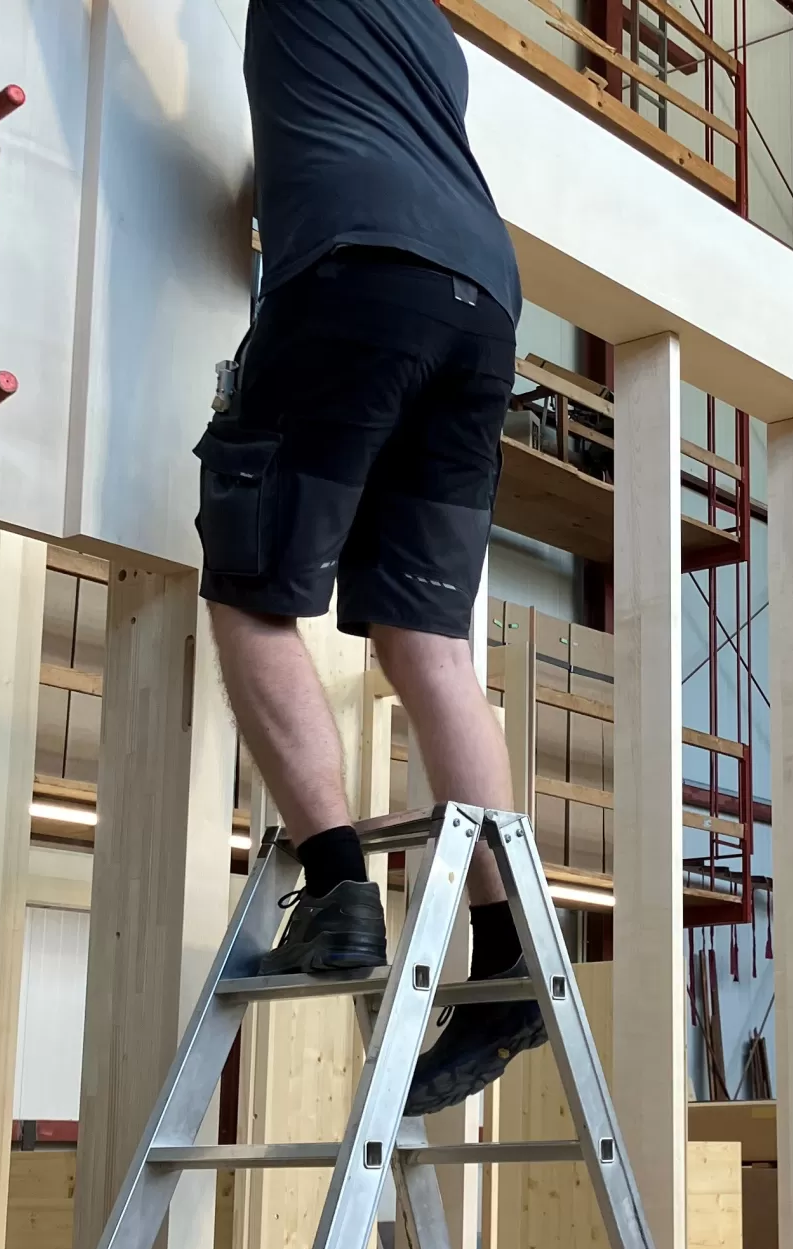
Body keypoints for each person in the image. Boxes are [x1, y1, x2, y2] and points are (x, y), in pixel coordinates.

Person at [194, 0, 539, 1113]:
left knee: (253, 592)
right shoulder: (429, 33)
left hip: (351, 278)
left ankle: (338, 883)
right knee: (427, 637)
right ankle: (505, 954)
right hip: (481, 302)